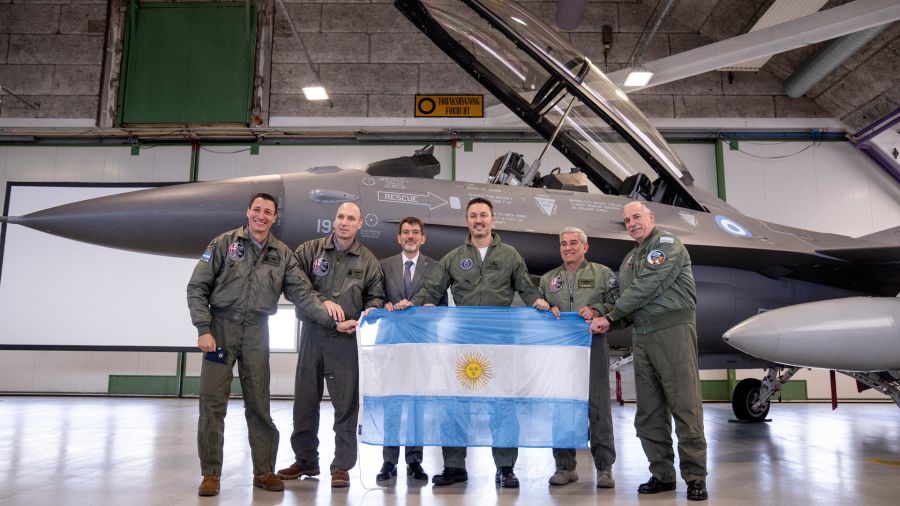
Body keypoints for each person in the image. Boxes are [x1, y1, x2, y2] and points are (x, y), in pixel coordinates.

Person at [187, 193, 356, 497]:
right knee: (212, 403)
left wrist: (333, 319)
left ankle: (263, 471)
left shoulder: (283, 255)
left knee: (259, 404)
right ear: (248, 212)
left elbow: (303, 294)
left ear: (275, 218)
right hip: (220, 330)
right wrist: (203, 328)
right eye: (257, 210)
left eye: (268, 212)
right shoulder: (223, 244)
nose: (261, 216)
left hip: (256, 331)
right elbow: (197, 287)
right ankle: (210, 473)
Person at [394, 197, 551, 489]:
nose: (478, 220)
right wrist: (409, 304)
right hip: (462, 343)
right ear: (467, 221)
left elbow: (527, 289)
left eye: (483, 215)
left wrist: (540, 303)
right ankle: (454, 467)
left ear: (493, 220)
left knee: (502, 405)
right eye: (473, 216)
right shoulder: (453, 257)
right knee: (455, 404)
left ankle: (505, 468)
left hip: (499, 344)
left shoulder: (510, 255)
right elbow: (432, 288)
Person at [590, 201, 708, 501]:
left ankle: (695, 477)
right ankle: (662, 474)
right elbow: (627, 300)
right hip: (641, 336)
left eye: (636, 217)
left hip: (672, 333)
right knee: (649, 413)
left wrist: (612, 316)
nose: (632, 223)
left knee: (685, 406)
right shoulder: (630, 258)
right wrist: (602, 316)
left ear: (651, 217)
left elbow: (646, 288)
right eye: (627, 220)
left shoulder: (667, 245)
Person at [277, 202, 385, 488]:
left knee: (345, 406)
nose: (344, 222)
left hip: (346, 340)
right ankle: (305, 461)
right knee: (305, 403)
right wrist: (322, 304)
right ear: (333, 220)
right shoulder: (309, 251)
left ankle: (341, 466)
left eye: (351, 218)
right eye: (340, 217)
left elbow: (376, 296)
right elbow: (294, 287)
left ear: (360, 224)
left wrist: (368, 313)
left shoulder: (368, 261)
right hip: (312, 335)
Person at [539, 226, 617, 489]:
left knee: (598, 407)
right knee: (561, 406)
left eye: (573, 243)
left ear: (585, 246)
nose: (568, 248)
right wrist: (547, 308)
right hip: (560, 352)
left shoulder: (603, 274)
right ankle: (564, 466)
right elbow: (539, 306)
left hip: (593, 346)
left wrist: (597, 309)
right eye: (563, 244)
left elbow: (617, 303)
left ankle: (604, 468)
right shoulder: (548, 279)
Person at [374, 216, 444, 483]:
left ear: (423, 238)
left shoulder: (435, 267)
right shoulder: (384, 266)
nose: (411, 236)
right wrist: (384, 305)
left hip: (421, 347)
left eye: (415, 232)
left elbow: (443, 306)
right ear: (399, 238)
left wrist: (433, 310)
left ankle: (415, 461)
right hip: (392, 345)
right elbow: (376, 296)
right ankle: (388, 462)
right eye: (406, 232)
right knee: (392, 404)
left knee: (416, 405)